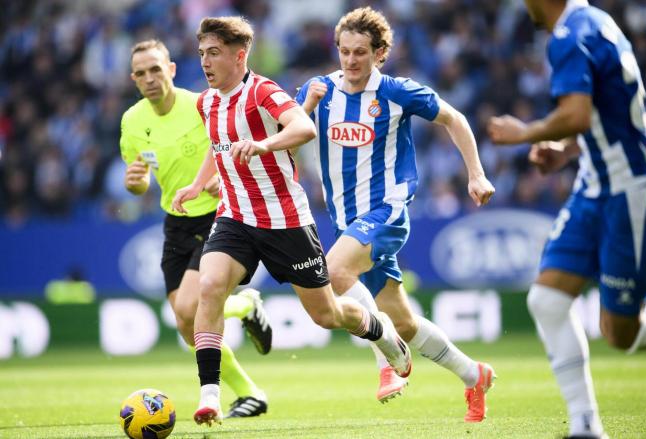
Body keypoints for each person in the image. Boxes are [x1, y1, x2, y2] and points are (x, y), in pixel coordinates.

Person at [171, 16, 413, 426]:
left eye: (213, 53)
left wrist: (263, 144)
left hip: (285, 221)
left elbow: (302, 127)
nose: (205, 63)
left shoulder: (263, 91)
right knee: (209, 287)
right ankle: (209, 396)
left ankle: (383, 331)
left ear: (239, 55)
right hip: (234, 216)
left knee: (327, 315)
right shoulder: (206, 102)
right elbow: (220, 143)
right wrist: (199, 184)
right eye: (201, 54)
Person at [296, 7, 497, 422]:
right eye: (344, 51)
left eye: (361, 52)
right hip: (347, 223)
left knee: (333, 273)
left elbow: (455, 119)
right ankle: (473, 374)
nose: (351, 61)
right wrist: (305, 109)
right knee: (403, 322)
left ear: (380, 53)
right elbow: (287, 138)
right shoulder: (319, 91)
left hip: (387, 210)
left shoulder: (398, 91)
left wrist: (475, 174)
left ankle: (388, 363)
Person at [487, 1, 646, 437]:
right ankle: (585, 426)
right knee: (546, 301)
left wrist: (522, 132)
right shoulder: (595, 23)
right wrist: (565, 149)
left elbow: (578, 114)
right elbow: (606, 114)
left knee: (620, 333)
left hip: (629, 187)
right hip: (594, 185)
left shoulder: (568, 34)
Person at [120, 39, 272, 419]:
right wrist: (134, 182)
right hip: (176, 221)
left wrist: (224, 177)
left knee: (192, 307)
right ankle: (250, 388)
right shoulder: (133, 122)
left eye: (156, 69)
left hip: (219, 215)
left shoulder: (202, 105)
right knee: (187, 324)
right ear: (134, 80)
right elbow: (140, 181)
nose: (150, 78)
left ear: (171, 69)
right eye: (141, 73)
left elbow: (235, 146)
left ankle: (231, 371)